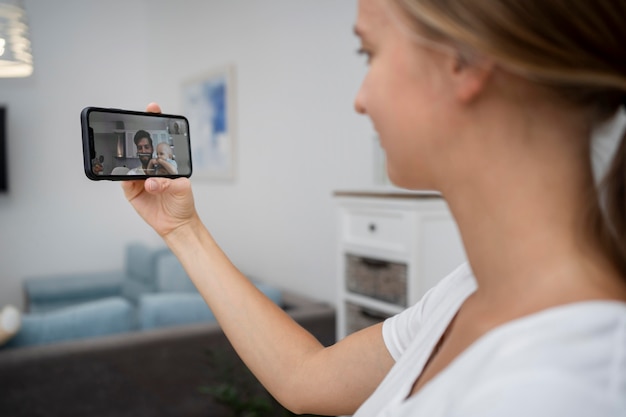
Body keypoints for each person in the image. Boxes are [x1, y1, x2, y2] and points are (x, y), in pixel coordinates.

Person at [122, 0, 626, 415]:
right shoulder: (471, 290)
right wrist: (183, 231)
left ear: (465, 59)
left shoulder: (556, 388)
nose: (360, 100)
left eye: (369, 53)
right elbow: (307, 378)